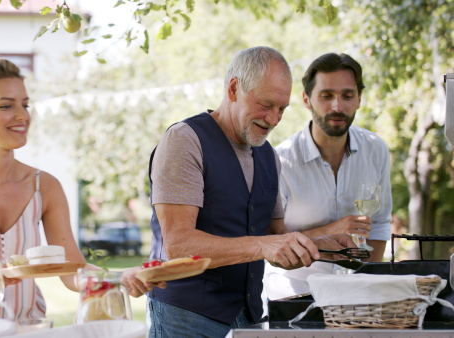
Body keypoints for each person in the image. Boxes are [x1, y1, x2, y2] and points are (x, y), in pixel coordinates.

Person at [0, 54, 161, 325]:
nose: (22, 115)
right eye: (5, 106)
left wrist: (120, 277)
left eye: (25, 104)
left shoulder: (44, 186)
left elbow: (72, 270)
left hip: (25, 330)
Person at [146, 46, 355, 337]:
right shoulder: (184, 141)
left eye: (281, 109)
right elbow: (178, 245)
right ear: (234, 88)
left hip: (249, 318)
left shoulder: (268, 155)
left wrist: (325, 245)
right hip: (184, 318)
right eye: (265, 104)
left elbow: (274, 235)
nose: (273, 119)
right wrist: (262, 247)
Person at [263, 53, 392, 300]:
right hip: (295, 296)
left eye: (347, 95)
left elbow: (380, 224)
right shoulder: (279, 160)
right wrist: (331, 231)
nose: (337, 106)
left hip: (358, 297)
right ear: (306, 99)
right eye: (326, 96)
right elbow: (271, 242)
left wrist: (370, 281)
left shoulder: (376, 149)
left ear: (359, 99)